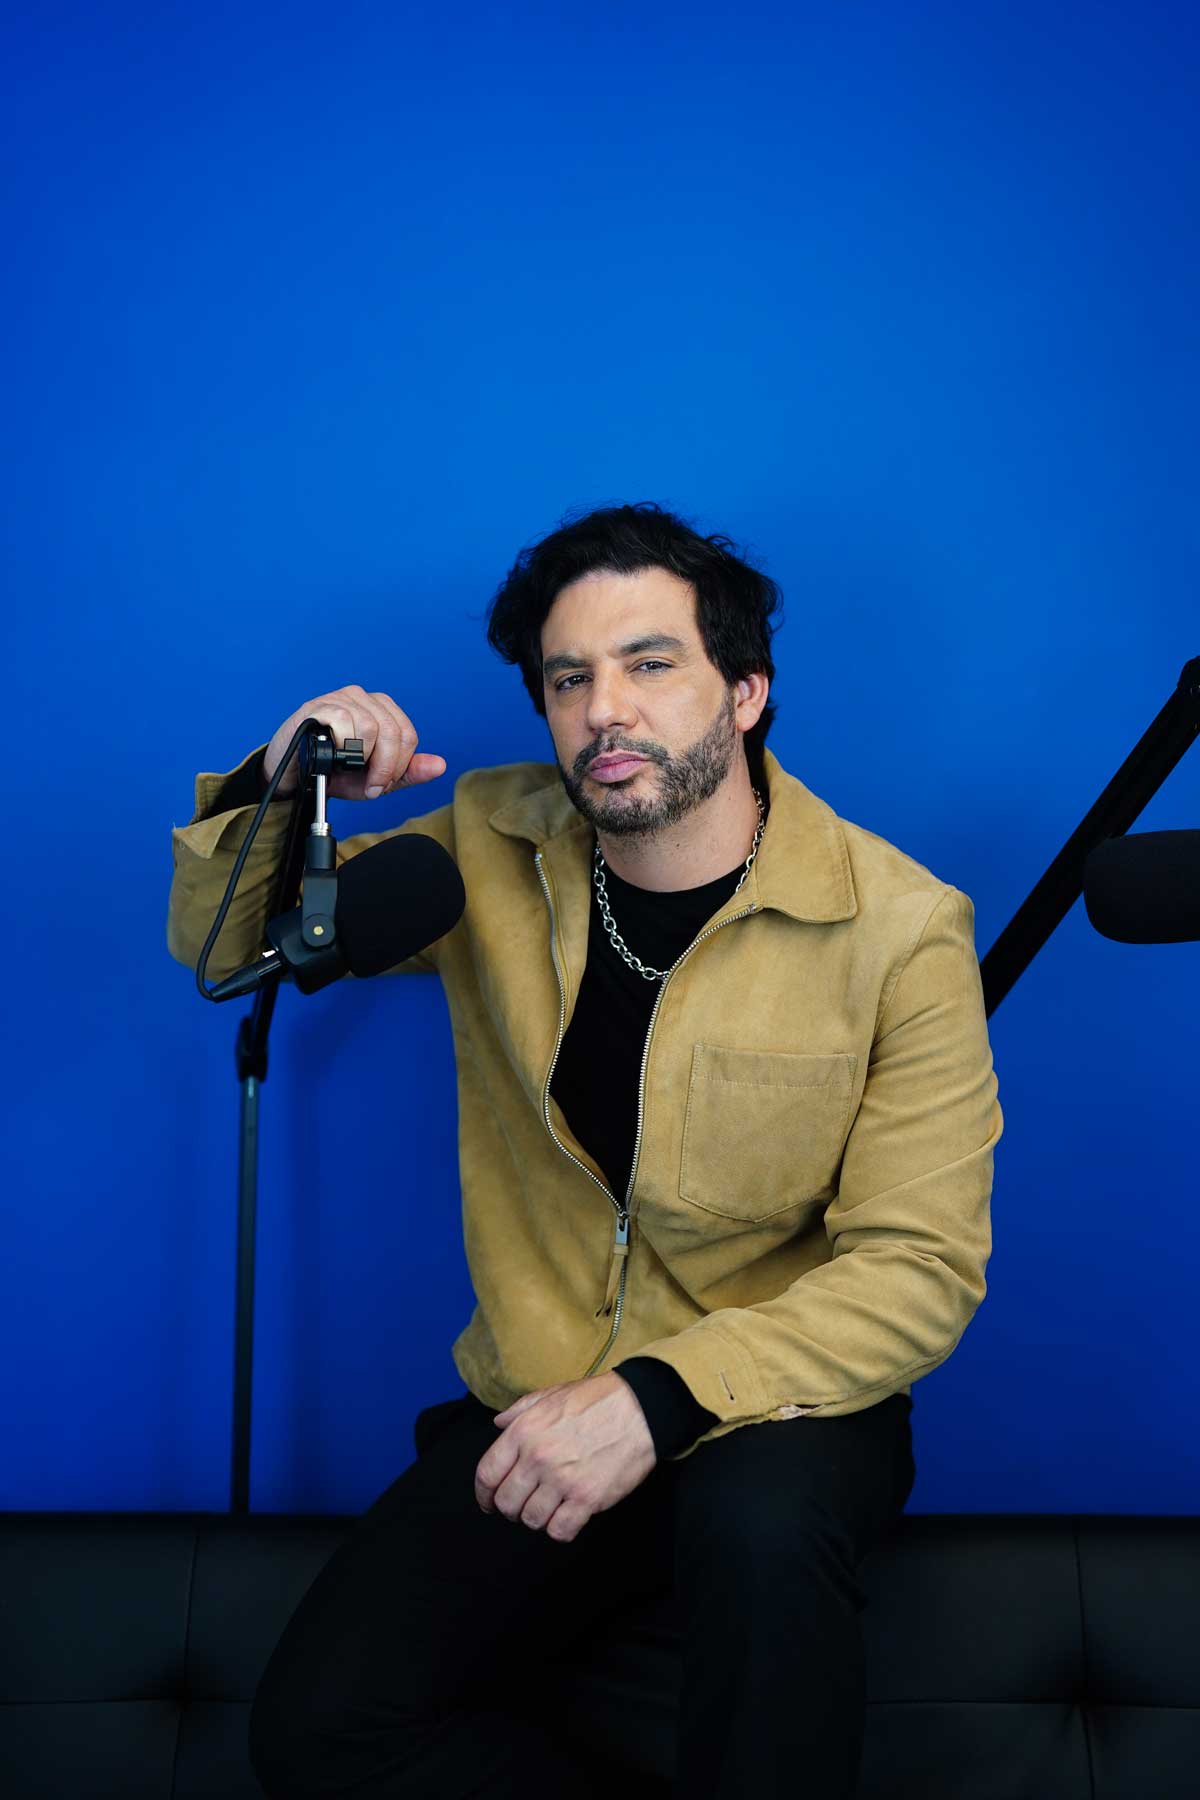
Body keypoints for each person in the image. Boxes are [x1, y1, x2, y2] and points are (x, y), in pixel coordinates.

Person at [166, 500, 1003, 1799]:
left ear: (746, 693)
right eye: (569, 680)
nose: (604, 710)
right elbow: (226, 944)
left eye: (650, 663)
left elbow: (920, 1270)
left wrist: (655, 1401)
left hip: (779, 1412)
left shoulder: (900, 930)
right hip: (536, 1393)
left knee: (760, 1528)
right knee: (321, 1733)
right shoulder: (485, 846)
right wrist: (286, 780)